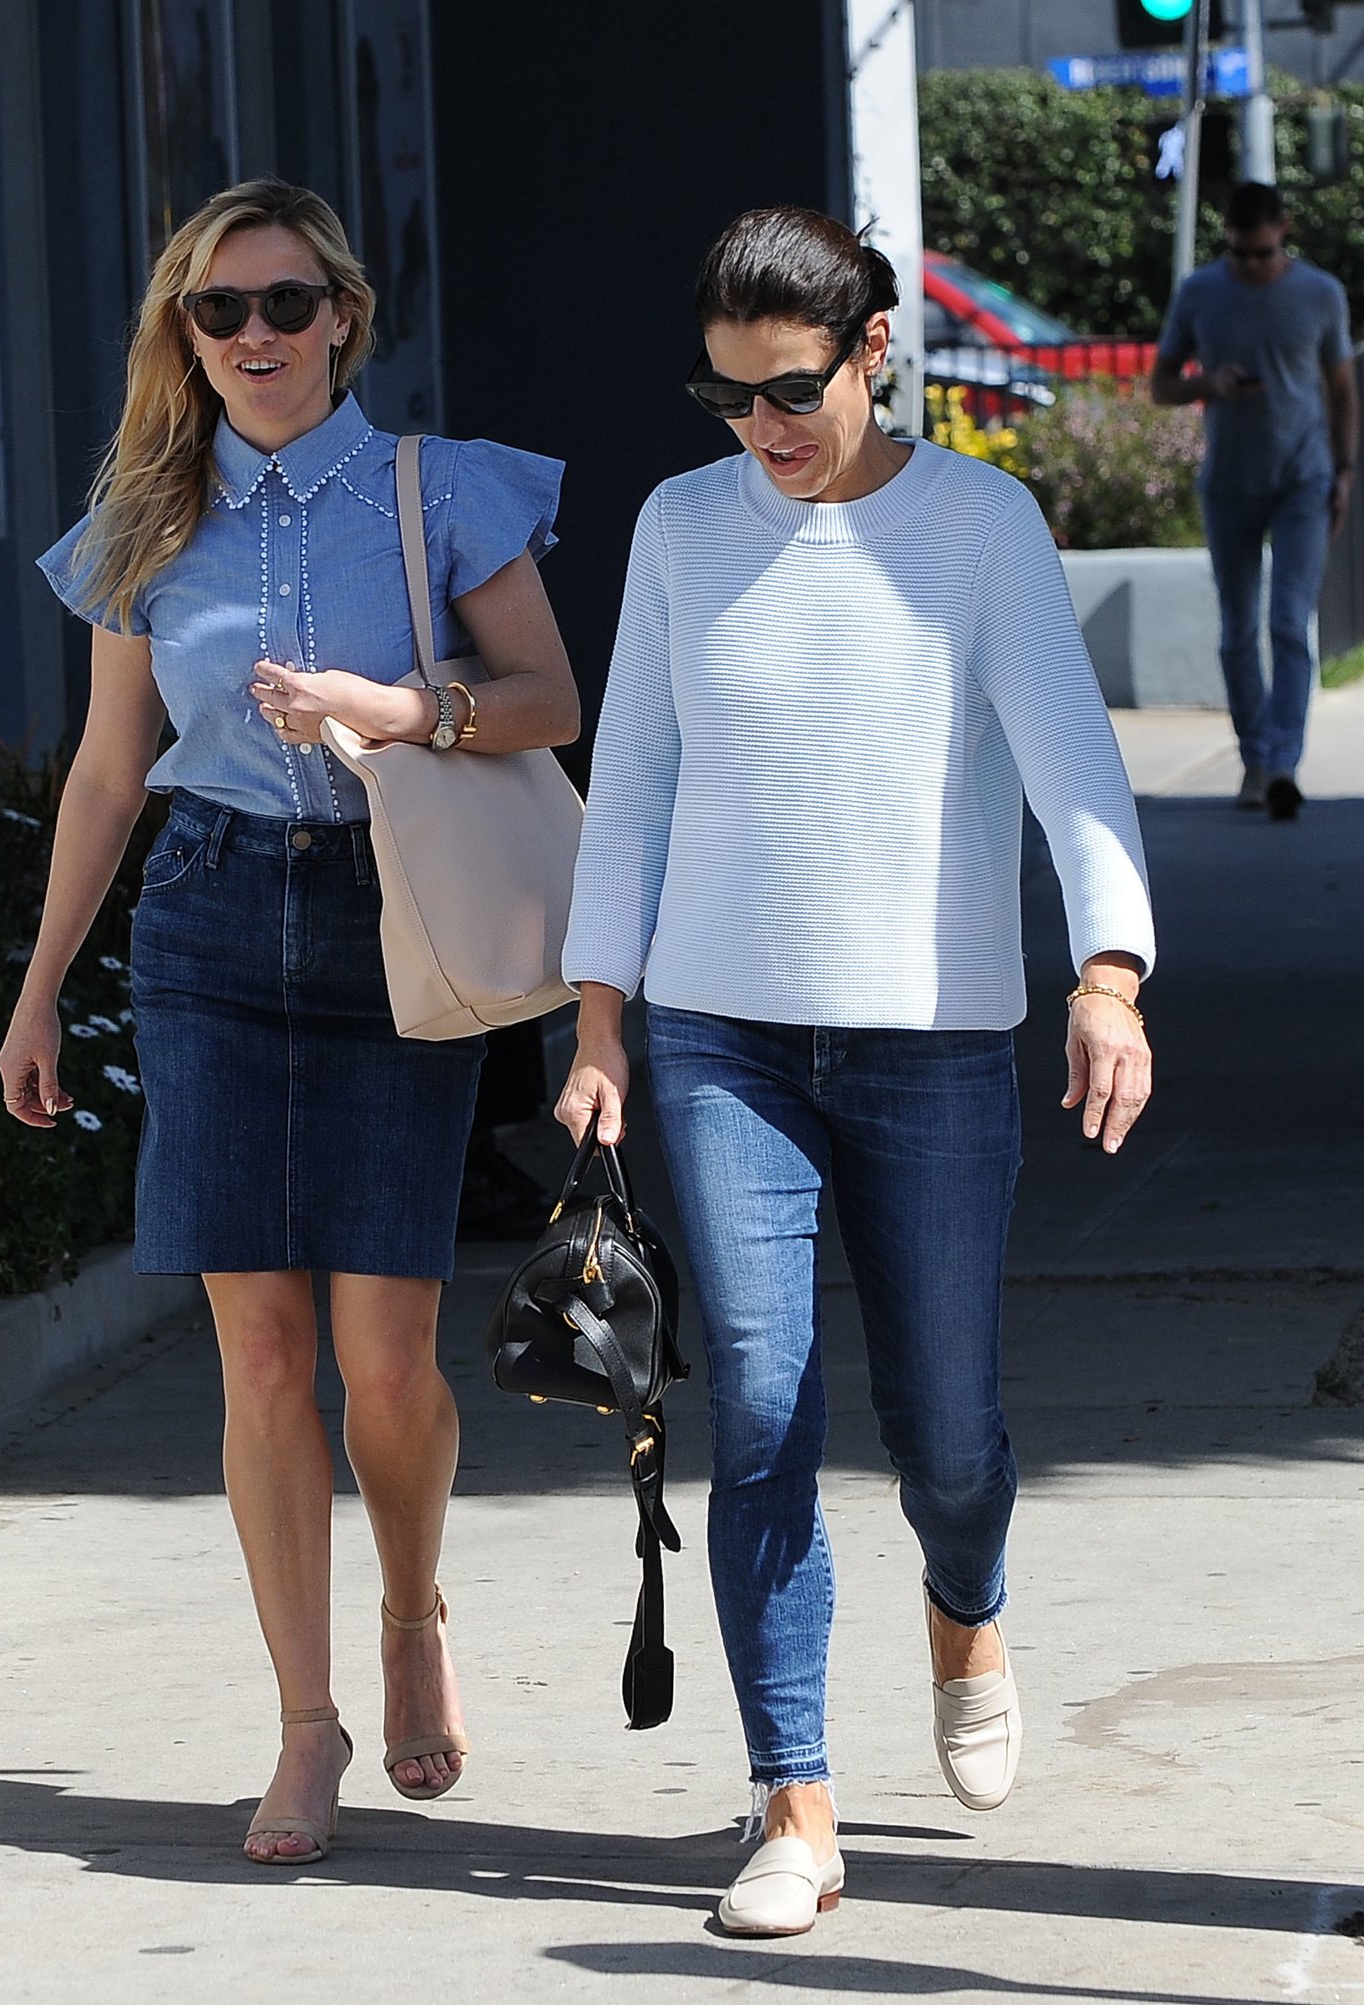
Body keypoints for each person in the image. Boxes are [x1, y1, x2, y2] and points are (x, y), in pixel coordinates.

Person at [556, 206, 1155, 1938]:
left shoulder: (980, 523)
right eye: (728, 396)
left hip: (935, 1039)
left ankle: (966, 1605)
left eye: (793, 389)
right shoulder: (682, 528)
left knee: (947, 1433)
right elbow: (635, 785)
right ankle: (795, 1803)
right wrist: (598, 1021)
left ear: (874, 349)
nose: (764, 427)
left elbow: (1074, 765)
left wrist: (1108, 974)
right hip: (719, 1035)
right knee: (761, 1405)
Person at [0, 178, 577, 1864]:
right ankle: (305, 1726)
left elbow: (551, 698)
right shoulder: (146, 520)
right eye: (219, 310)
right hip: (208, 919)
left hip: (394, 921)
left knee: (385, 1356)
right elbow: (107, 775)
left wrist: (393, 709)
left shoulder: (440, 489)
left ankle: (411, 1608)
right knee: (259, 1349)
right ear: (186, 337)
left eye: (285, 303)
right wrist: (39, 991)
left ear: (344, 317)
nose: (255, 335)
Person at [1152, 181, 1357, 820]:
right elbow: (1161, 384)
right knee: (1238, 631)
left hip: (1304, 480)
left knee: (1289, 623)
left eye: (1263, 254)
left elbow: (1342, 388)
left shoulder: (1320, 293)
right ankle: (1256, 758)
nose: (1251, 266)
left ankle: (1282, 764)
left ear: (1283, 232)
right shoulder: (1200, 292)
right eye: (1240, 255)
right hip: (1230, 484)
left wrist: (1344, 470)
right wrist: (1208, 383)